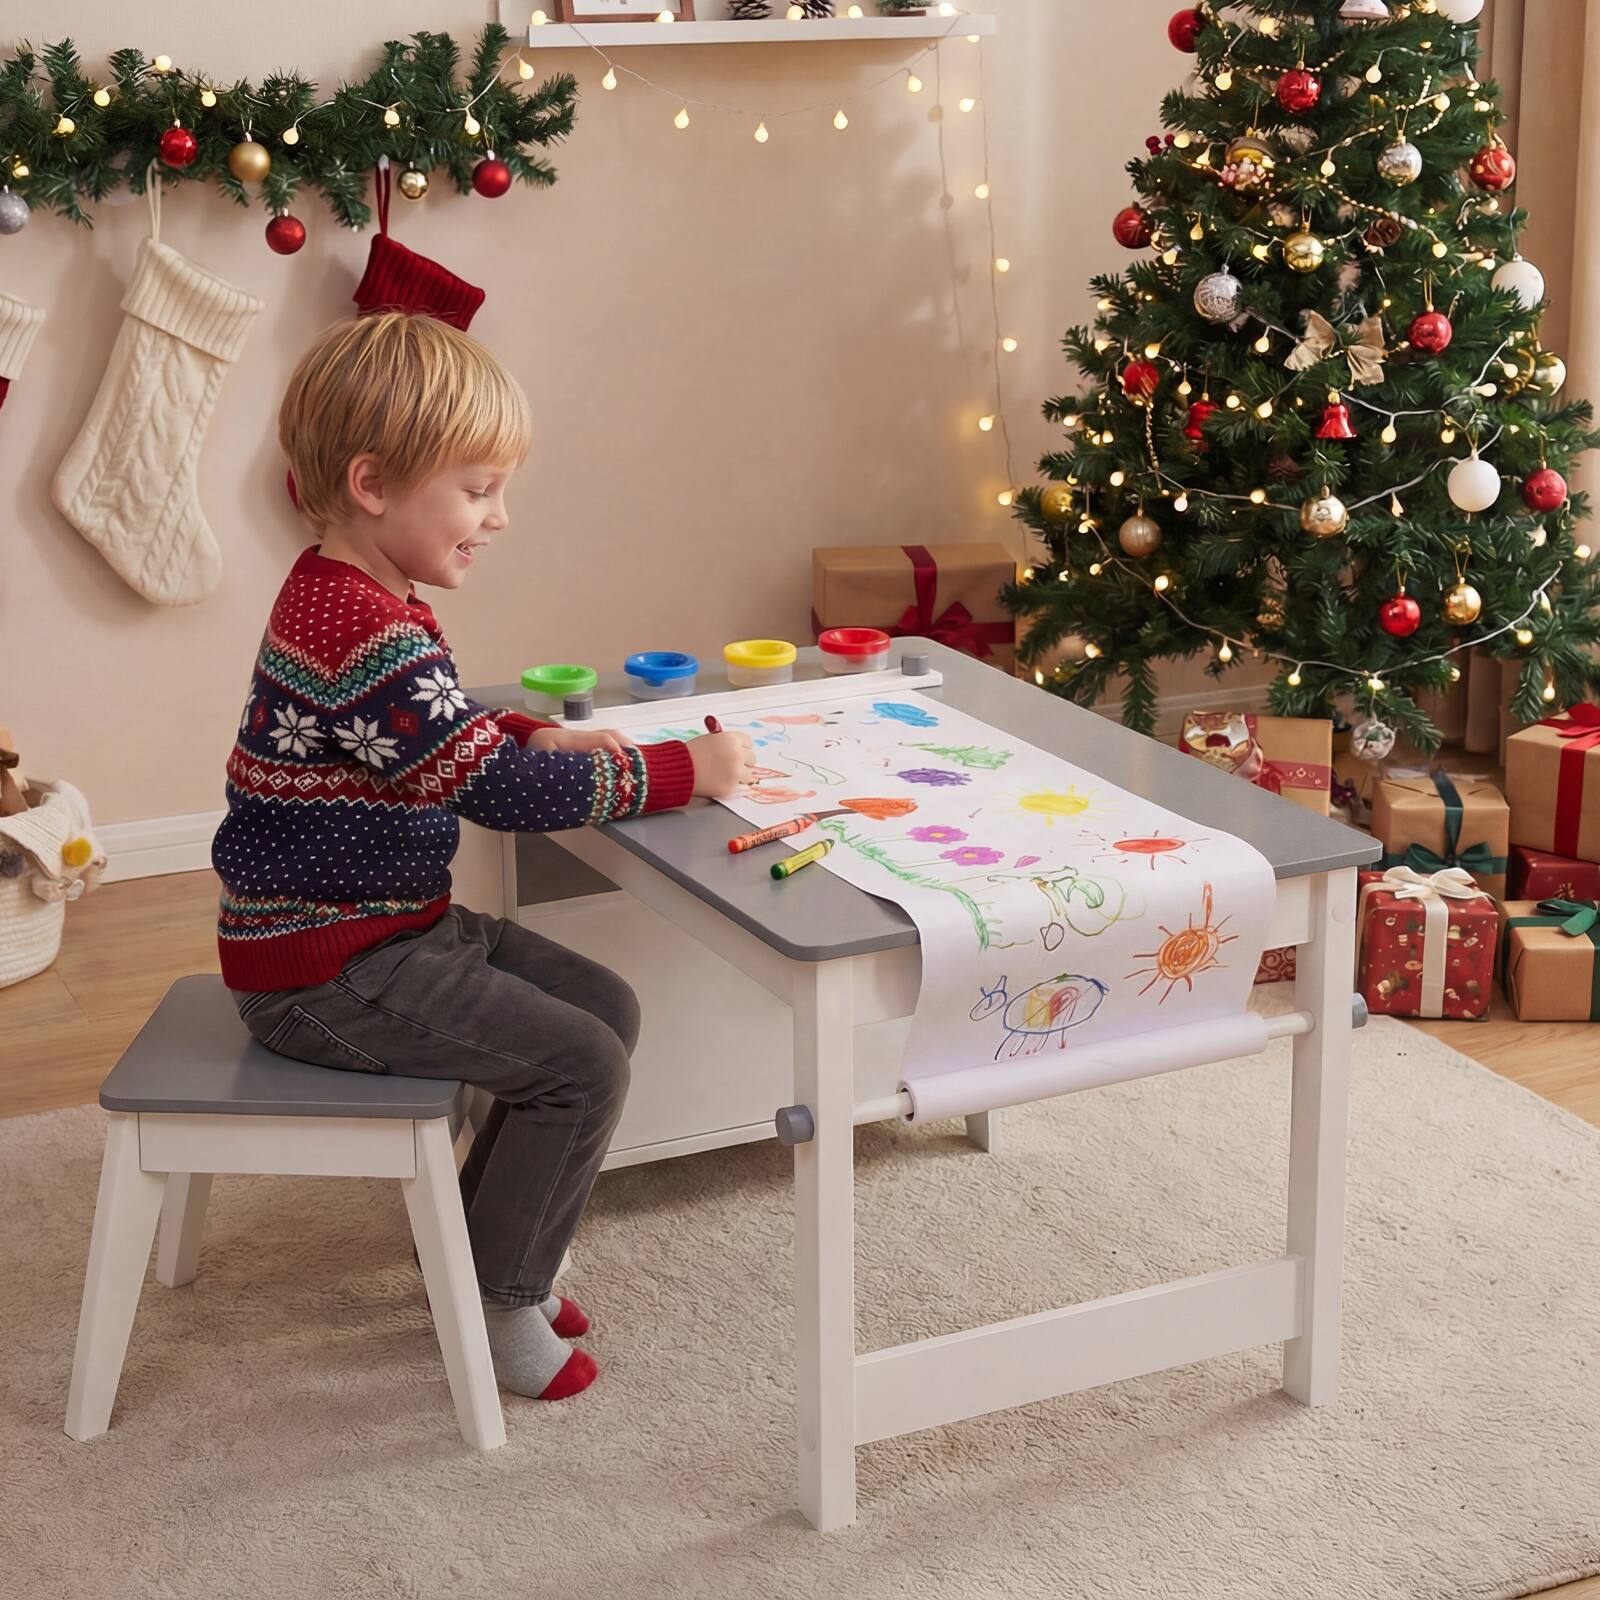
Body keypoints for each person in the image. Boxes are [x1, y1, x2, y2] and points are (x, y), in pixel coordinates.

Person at [213, 310, 753, 1402]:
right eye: (476, 488)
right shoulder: (361, 626)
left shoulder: (361, 598)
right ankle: (501, 1294)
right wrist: (682, 771)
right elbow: (491, 793)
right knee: (584, 1062)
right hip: (325, 962)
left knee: (604, 1006)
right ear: (373, 484)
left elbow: (430, 742)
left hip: (381, 923)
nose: (498, 516)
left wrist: (528, 730)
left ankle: (479, 1248)